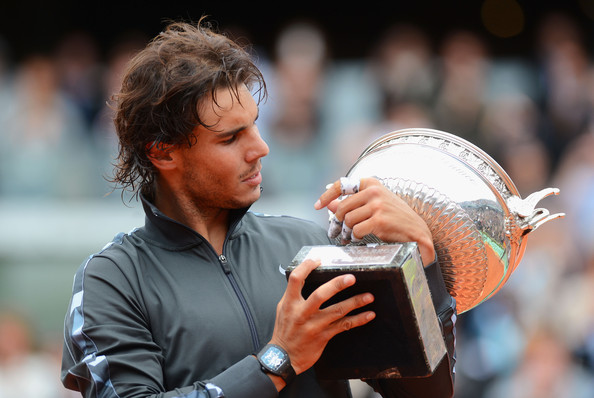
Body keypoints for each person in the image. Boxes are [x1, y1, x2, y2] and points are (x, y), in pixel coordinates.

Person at [60, 19, 456, 398]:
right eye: (232, 137)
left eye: (254, 124)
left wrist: (422, 265)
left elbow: (425, 394)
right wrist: (278, 360)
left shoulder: (308, 246)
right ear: (163, 153)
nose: (260, 148)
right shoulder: (111, 281)